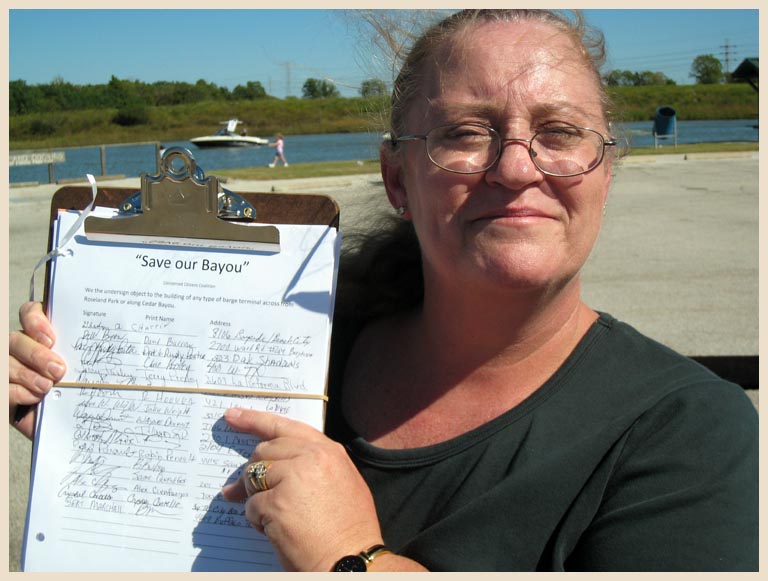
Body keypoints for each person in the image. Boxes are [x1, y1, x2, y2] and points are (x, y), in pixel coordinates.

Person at [9, 9, 757, 572]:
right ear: (398, 177)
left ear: (604, 168)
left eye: (560, 131)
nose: (517, 166)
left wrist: (353, 557)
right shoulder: (291, 358)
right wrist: (107, 432)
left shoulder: (687, 430)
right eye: (466, 132)